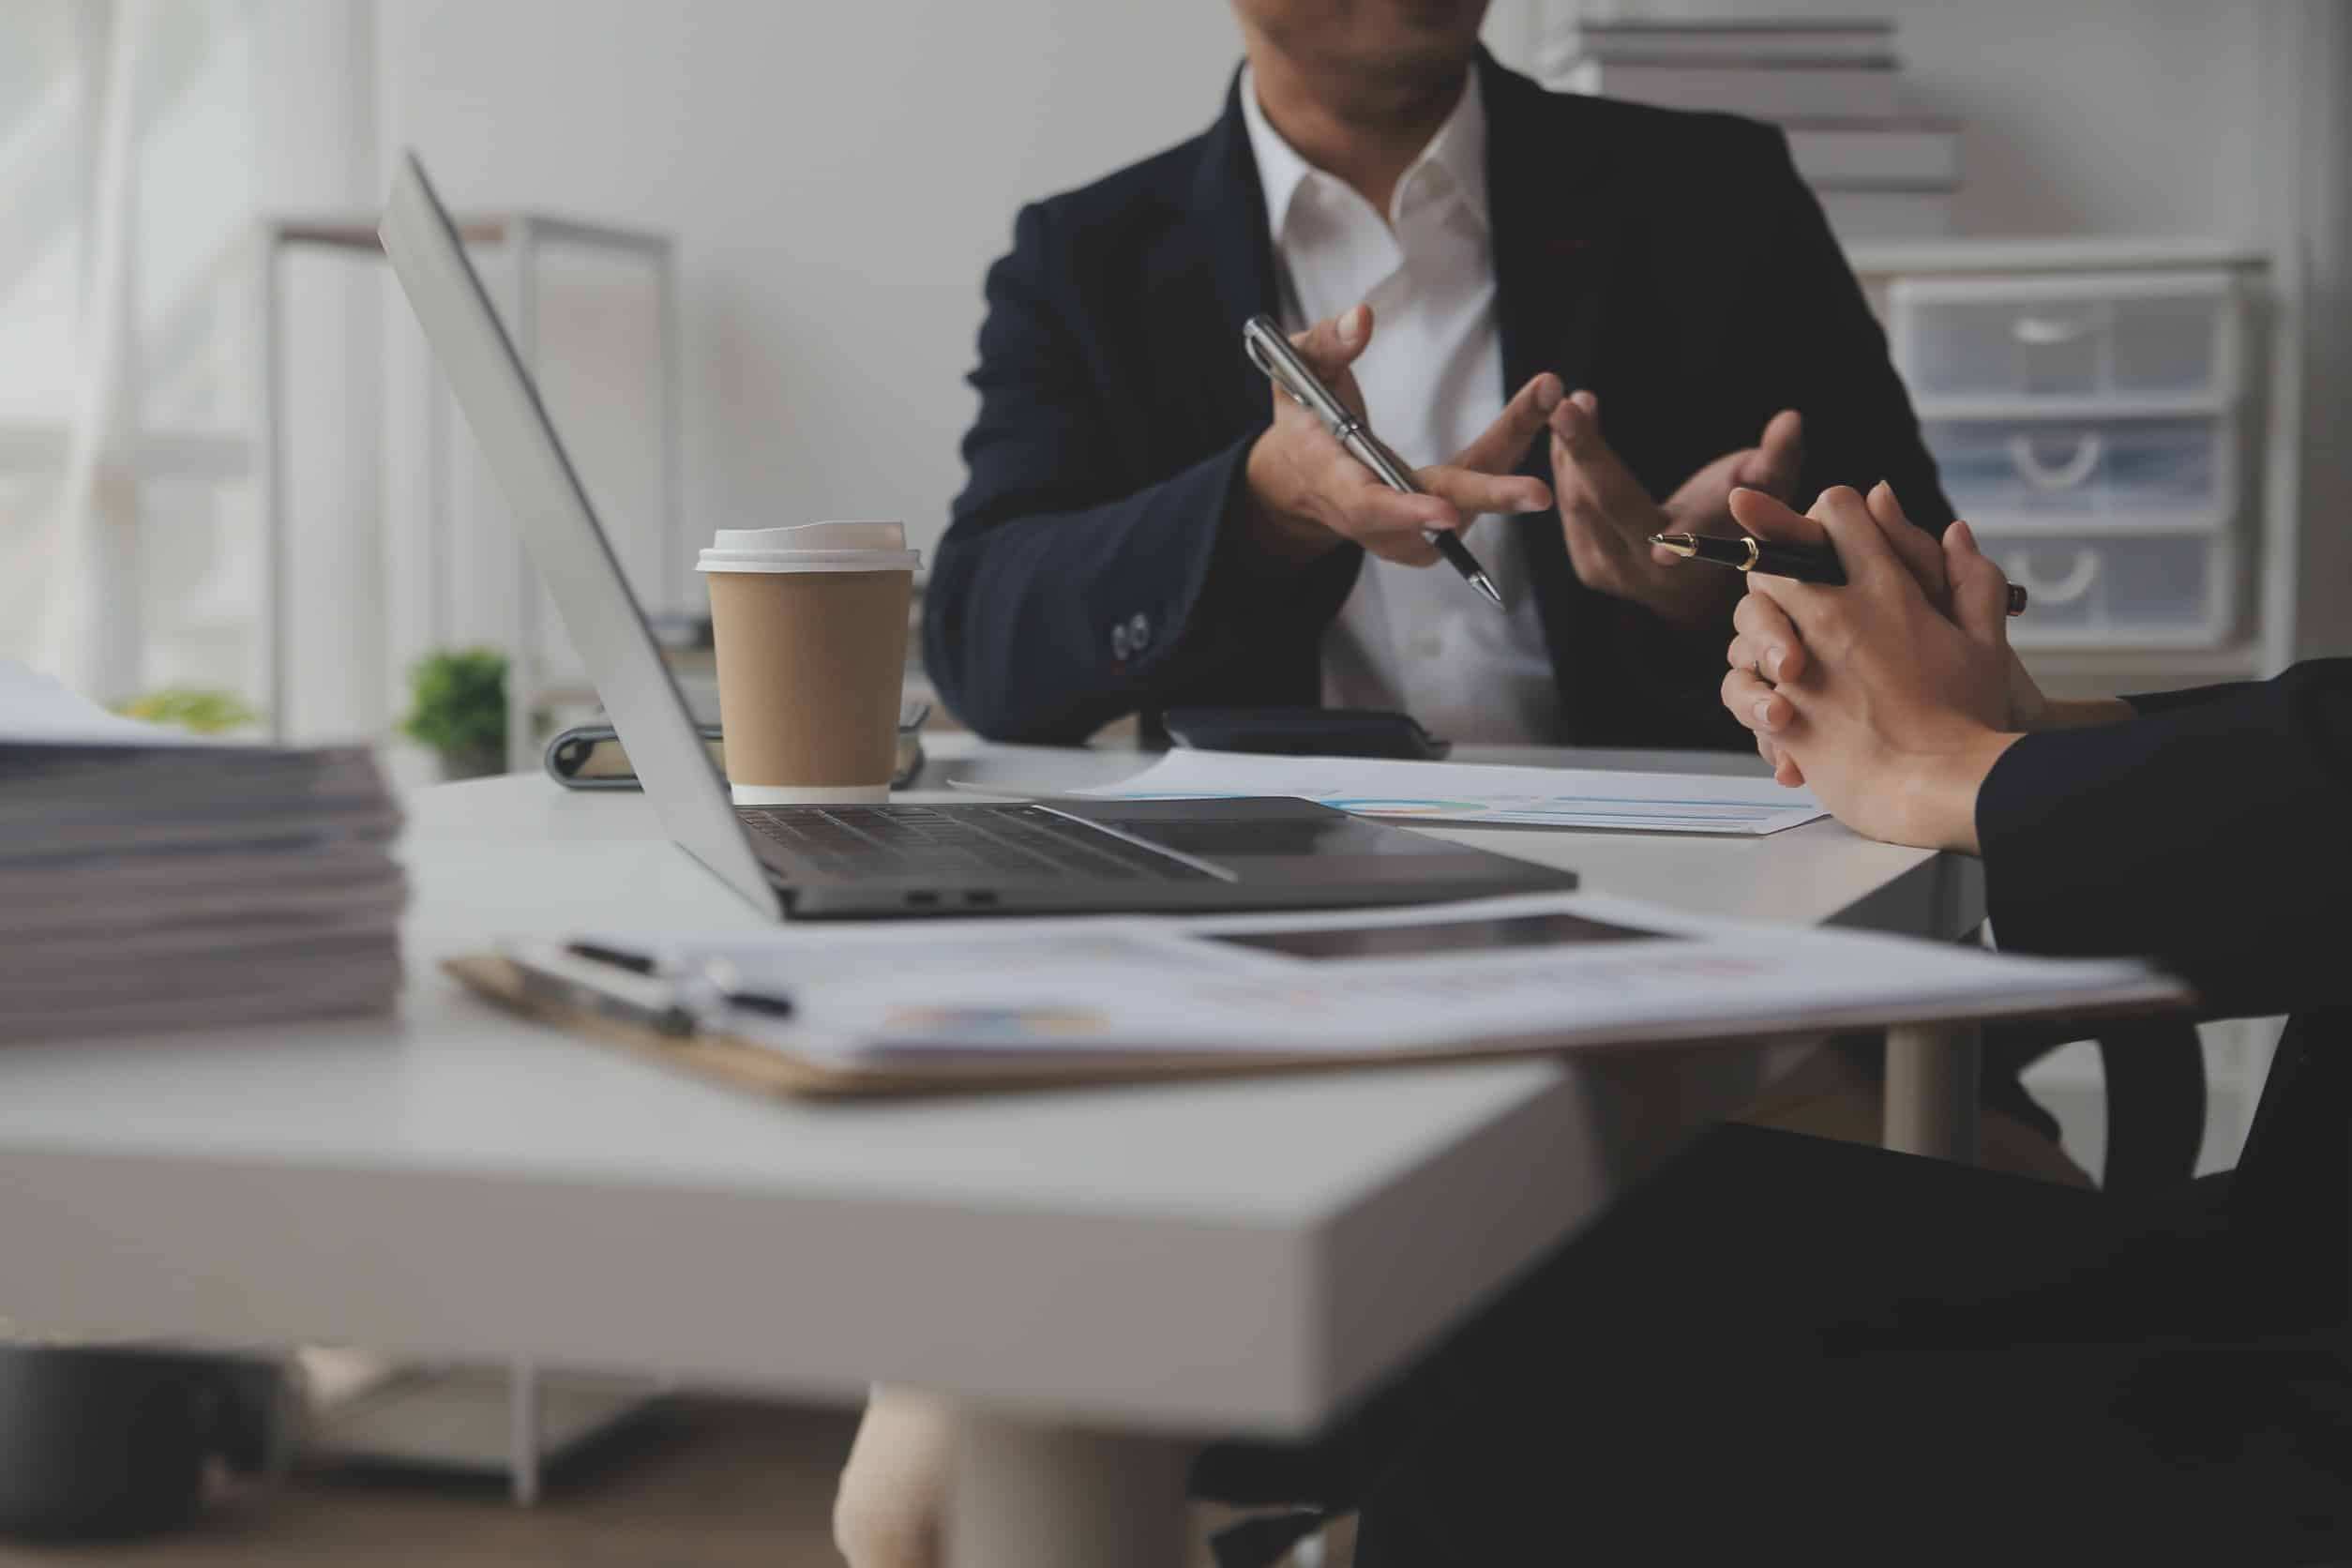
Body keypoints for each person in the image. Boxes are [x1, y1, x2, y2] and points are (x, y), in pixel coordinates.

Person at [1314, 484, 2351, 1562]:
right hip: (2288, 1241)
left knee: (1499, 1480)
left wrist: (1960, 770)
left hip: (2308, 1391)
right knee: (1488, 1251)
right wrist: (2035, 744)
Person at [920, 0, 1950, 752]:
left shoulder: (1719, 199)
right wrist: (1266, 508)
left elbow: (1935, 608)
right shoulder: (1087, 261)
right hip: (1267, 911)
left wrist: (1707, 587)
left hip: (1704, 891)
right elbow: (986, 654)